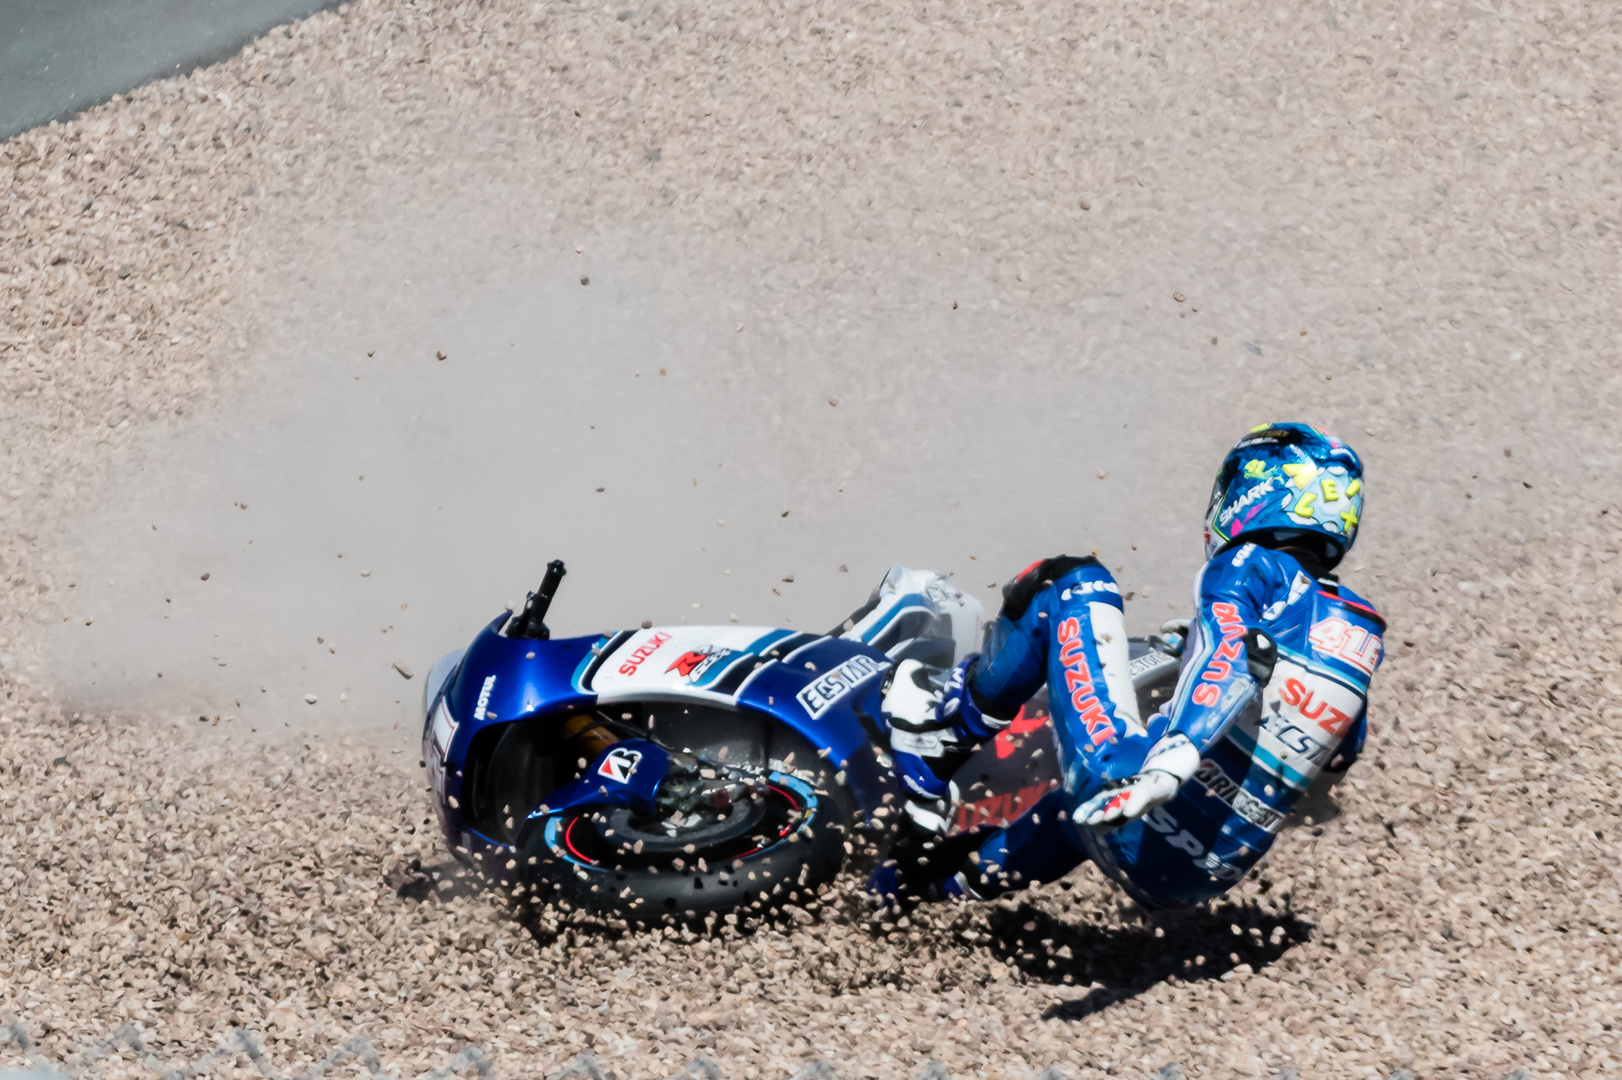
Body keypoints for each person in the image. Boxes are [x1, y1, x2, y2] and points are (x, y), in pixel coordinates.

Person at [872, 422, 1385, 910]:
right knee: (1089, 804)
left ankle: (944, 731)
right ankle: (945, 890)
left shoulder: (1250, 565)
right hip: (1198, 878)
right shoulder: (1358, 629)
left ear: (1261, 488)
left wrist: (1168, 766)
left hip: (1140, 802)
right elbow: (1335, 757)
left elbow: (1226, 657)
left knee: (1073, 582)